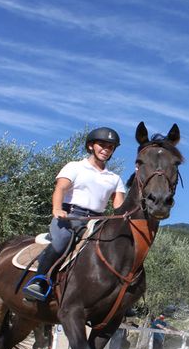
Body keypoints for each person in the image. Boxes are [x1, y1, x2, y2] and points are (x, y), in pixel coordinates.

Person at [23, 127, 127, 301]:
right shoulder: (75, 167)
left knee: (118, 246)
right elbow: (60, 189)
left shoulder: (114, 178)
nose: (106, 149)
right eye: (102, 144)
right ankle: (39, 281)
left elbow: (119, 207)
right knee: (62, 240)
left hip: (97, 220)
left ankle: (118, 293)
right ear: (90, 146)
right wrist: (57, 209)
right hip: (71, 216)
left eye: (110, 147)